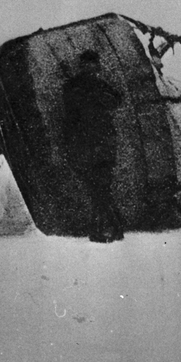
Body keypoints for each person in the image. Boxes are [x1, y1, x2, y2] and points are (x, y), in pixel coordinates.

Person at [62, 50, 125, 242]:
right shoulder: (98, 85)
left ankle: (108, 229)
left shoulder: (72, 86)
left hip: (85, 147)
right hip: (100, 145)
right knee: (101, 190)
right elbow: (116, 100)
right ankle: (110, 229)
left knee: (97, 190)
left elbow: (70, 117)